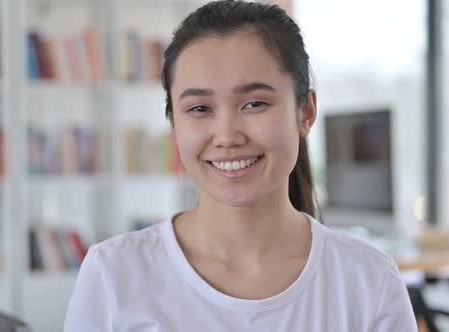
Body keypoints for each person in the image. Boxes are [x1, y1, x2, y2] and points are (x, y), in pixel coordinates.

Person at [64, 1, 417, 331]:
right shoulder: (113, 273)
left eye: (254, 104)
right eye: (200, 109)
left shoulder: (370, 281)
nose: (227, 135)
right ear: (173, 124)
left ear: (305, 112)